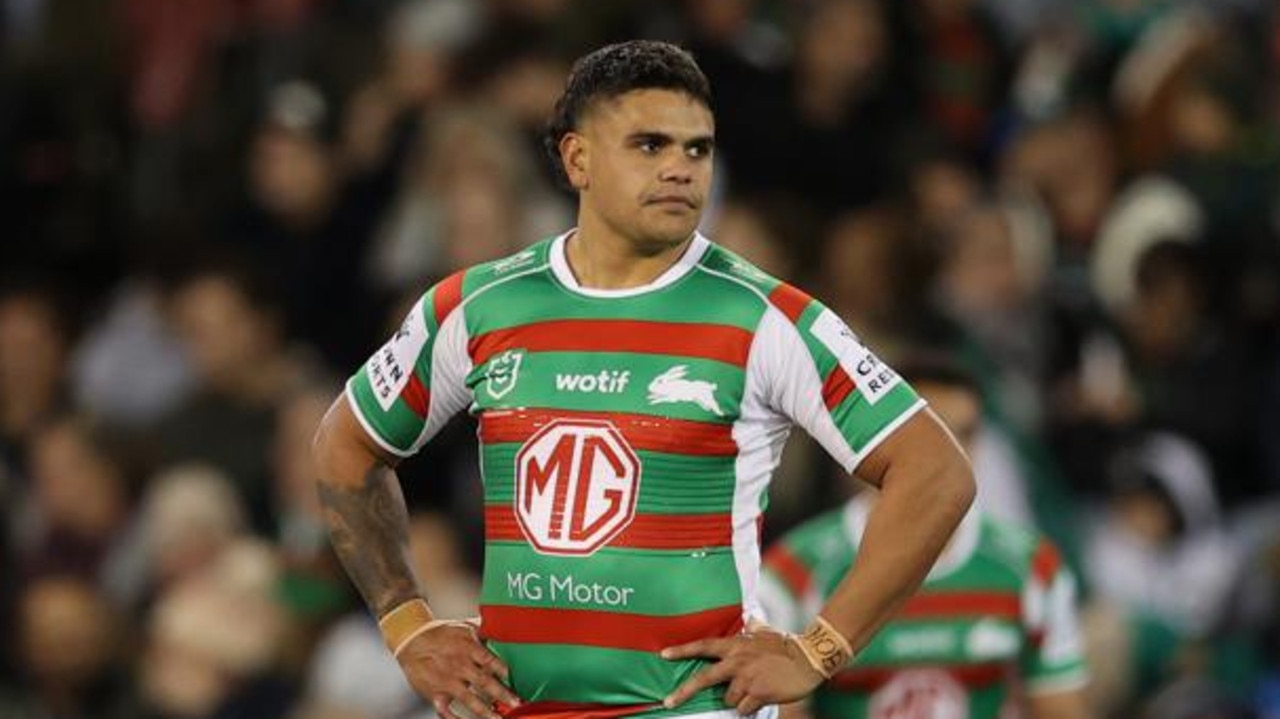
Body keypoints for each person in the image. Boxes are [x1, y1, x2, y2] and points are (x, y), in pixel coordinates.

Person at [312, 40, 974, 719]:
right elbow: (344, 444)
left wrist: (820, 647)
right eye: (650, 145)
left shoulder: (765, 318)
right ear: (578, 160)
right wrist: (407, 625)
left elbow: (934, 471)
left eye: (698, 149)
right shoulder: (475, 306)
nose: (681, 169)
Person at [760, 356, 1092, 719]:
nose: (951, 455)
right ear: (881, 440)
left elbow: (1062, 709)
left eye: (966, 433)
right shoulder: (795, 572)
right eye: (933, 437)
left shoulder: (1030, 566)